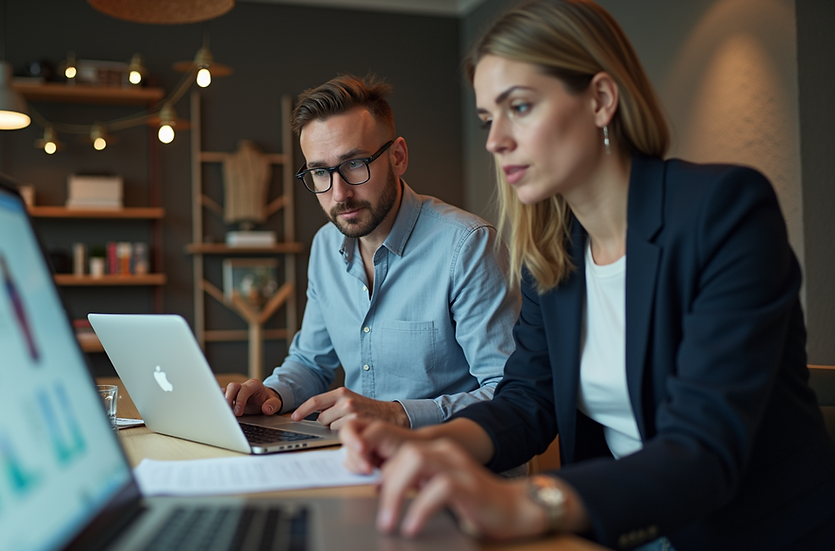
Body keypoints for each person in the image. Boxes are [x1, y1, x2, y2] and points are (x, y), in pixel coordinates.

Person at [339, 1, 835, 549]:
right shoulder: (553, 248)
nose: (494, 140)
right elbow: (528, 401)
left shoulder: (723, 210)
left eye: (519, 107)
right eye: (487, 119)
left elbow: (703, 448)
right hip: (622, 528)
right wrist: (430, 445)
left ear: (600, 99)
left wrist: (530, 501)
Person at [224, 75, 519, 430]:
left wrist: (397, 414)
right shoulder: (324, 246)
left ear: (397, 157)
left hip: (454, 466)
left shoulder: (467, 246)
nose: (339, 194)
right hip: (359, 461)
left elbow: (507, 393)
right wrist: (271, 394)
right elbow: (311, 363)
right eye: (320, 172)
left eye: (354, 164)